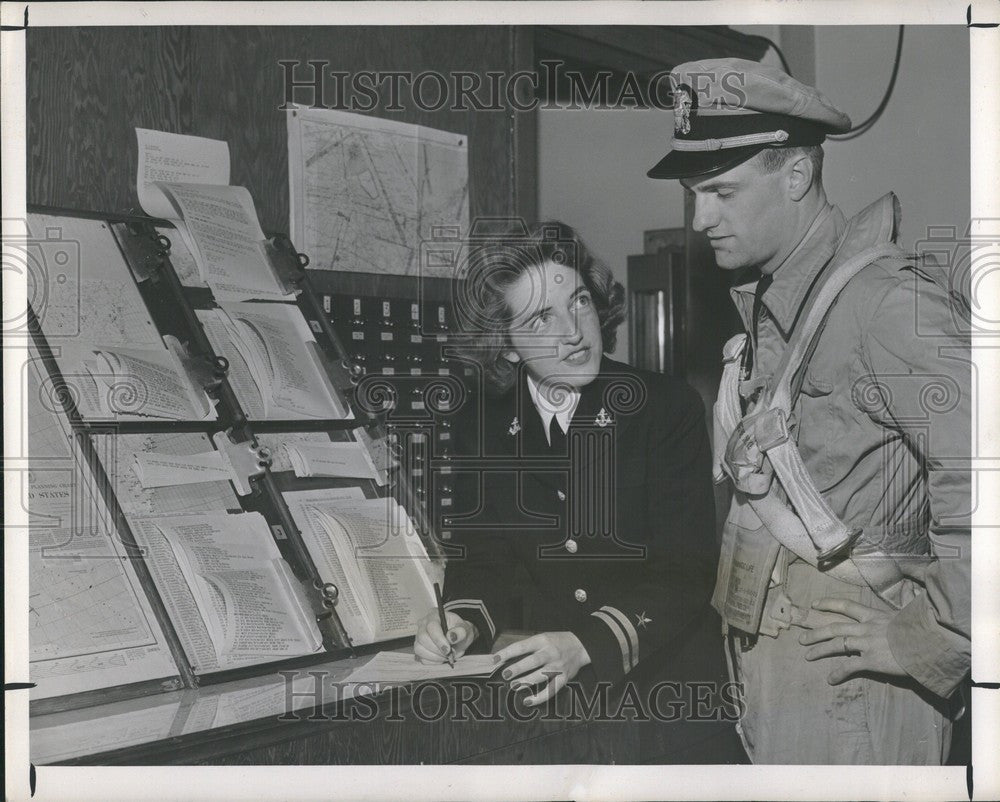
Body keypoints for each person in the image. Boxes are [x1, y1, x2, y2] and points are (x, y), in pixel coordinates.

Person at [646, 58, 971, 764]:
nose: (701, 219)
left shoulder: (886, 304)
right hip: (782, 672)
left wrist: (933, 638)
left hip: (856, 681)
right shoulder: (774, 305)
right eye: (694, 194)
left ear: (795, 175)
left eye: (722, 192)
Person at [412, 222, 730, 750]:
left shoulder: (665, 408)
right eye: (542, 317)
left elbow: (685, 571)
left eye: (579, 301)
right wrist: (461, 623)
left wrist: (588, 643)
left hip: (669, 704)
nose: (574, 330)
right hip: (560, 713)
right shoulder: (484, 425)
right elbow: (485, 558)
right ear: (507, 345)